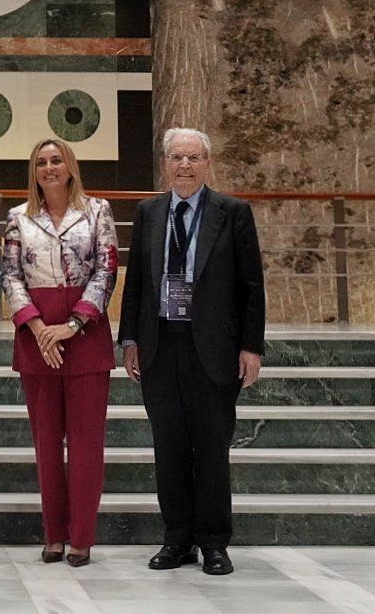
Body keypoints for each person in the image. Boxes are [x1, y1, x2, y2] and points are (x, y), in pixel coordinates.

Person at [119, 127, 265, 576]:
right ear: (166, 163)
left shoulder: (233, 212)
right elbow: (137, 281)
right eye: (177, 157)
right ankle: (177, 539)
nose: (184, 165)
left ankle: (214, 543)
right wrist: (129, 340)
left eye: (193, 157)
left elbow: (251, 286)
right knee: (169, 447)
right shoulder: (148, 212)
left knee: (211, 448)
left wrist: (251, 347)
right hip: (160, 344)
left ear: (207, 163)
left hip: (214, 349)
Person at [1, 138, 118, 568]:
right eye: (41, 162)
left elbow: (107, 269)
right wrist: (37, 327)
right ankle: (53, 534)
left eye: (57, 160)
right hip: (37, 339)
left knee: (86, 444)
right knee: (46, 443)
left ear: (70, 166)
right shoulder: (17, 217)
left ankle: (81, 538)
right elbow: (10, 276)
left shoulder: (98, 209)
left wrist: (70, 325)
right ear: (33, 171)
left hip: (84, 334)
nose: (49, 167)